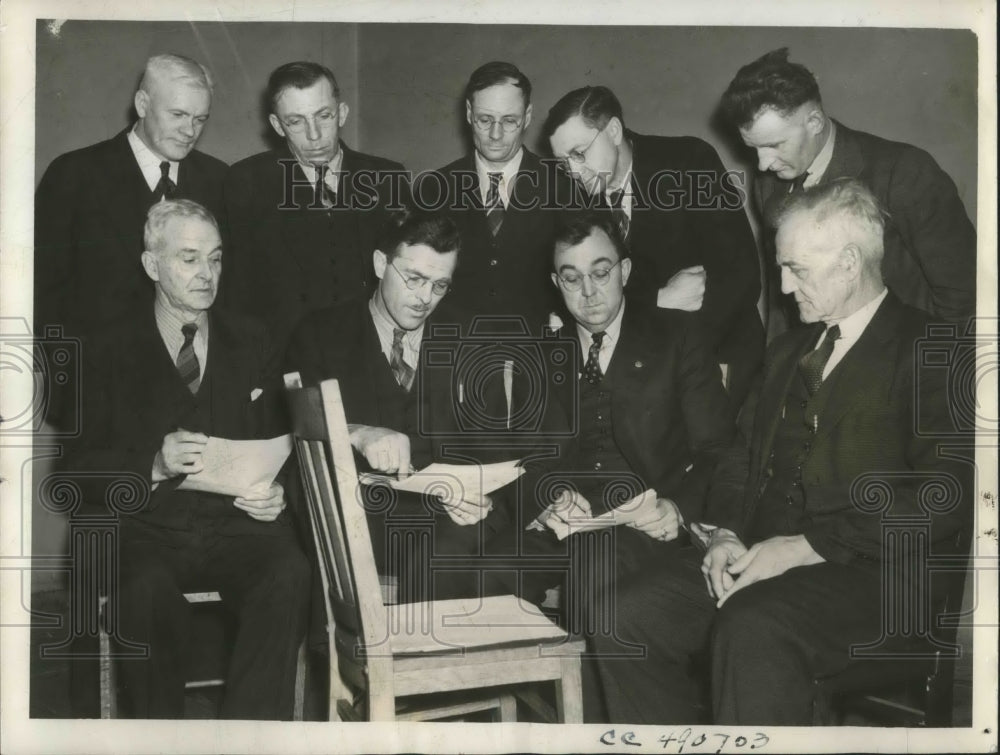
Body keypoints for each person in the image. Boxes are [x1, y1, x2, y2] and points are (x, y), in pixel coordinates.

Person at [588, 179, 971, 725]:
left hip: (878, 584)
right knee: (624, 614)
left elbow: (949, 493)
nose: (785, 289)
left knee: (752, 624)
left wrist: (806, 547)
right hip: (762, 563)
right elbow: (738, 458)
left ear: (848, 262)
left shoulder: (932, 349)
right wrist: (722, 533)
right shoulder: (789, 350)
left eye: (797, 269)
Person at [67, 199, 309, 720]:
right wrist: (151, 464)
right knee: (144, 592)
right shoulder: (105, 348)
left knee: (288, 572)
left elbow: (277, 443)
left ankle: (250, 735)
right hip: (143, 529)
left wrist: (277, 491)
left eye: (216, 259)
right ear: (152, 265)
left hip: (235, 527)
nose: (207, 275)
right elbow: (72, 472)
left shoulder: (252, 338)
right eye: (190, 258)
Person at [497, 212, 735, 721]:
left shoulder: (677, 335)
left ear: (625, 271)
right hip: (564, 520)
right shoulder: (544, 354)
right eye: (571, 277)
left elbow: (720, 450)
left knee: (594, 560)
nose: (588, 292)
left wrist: (679, 507)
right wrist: (550, 496)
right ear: (555, 282)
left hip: (650, 519)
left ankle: (604, 726)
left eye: (601, 272)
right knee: (477, 566)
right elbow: (530, 460)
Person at [286, 209, 544, 603]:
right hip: (361, 515)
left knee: (448, 553)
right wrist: (356, 432)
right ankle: (367, 659)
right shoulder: (321, 334)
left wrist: (480, 493)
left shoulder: (471, 342)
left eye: (440, 285)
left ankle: (424, 663)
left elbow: (498, 455)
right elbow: (301, 439)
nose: (425, 298)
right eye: (415, 279)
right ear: (379, 263)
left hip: (452, 516)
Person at [720, 47, 976, 335]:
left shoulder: (905, 171)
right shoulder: (769, 185)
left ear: (814, 122)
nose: (763, 164)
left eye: (775, 145)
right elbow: (782, 302)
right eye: (753, 148)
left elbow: (964, 295)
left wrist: (931, 371)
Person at [35, 53, 227, 429]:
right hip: (98, 395)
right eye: (177, 115)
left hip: (193, 394)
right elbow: (43, 290)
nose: (190, 130)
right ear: (142, 104)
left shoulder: (218, 180)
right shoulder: (74, 174)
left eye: (200, 119)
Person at [545, 86, 763, 406]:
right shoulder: (571, 201)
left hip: (718, 352)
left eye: (579, 153)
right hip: (640, 366)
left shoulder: (689, 162)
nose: (574, 172)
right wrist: (659, 299)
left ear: (614, 130)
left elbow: (741, 276)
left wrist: (689, 359)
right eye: (564, 163)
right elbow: (579, 298)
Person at [224, 61, 407, 348]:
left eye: (323, 116)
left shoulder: (388, 178)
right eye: (296, 121)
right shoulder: (246, 181)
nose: (314, 135)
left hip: (368, 354)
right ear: (277, 125)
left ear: (342, 113)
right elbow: (236, 292)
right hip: (284, 358)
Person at [417, 61, 576, 332]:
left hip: (538, 351)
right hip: (455, 350)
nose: (495, 134)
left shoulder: (563, 187)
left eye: (509, 121)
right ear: (469, 113)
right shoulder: (433, 188)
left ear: (527, 117)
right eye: (485, 119)